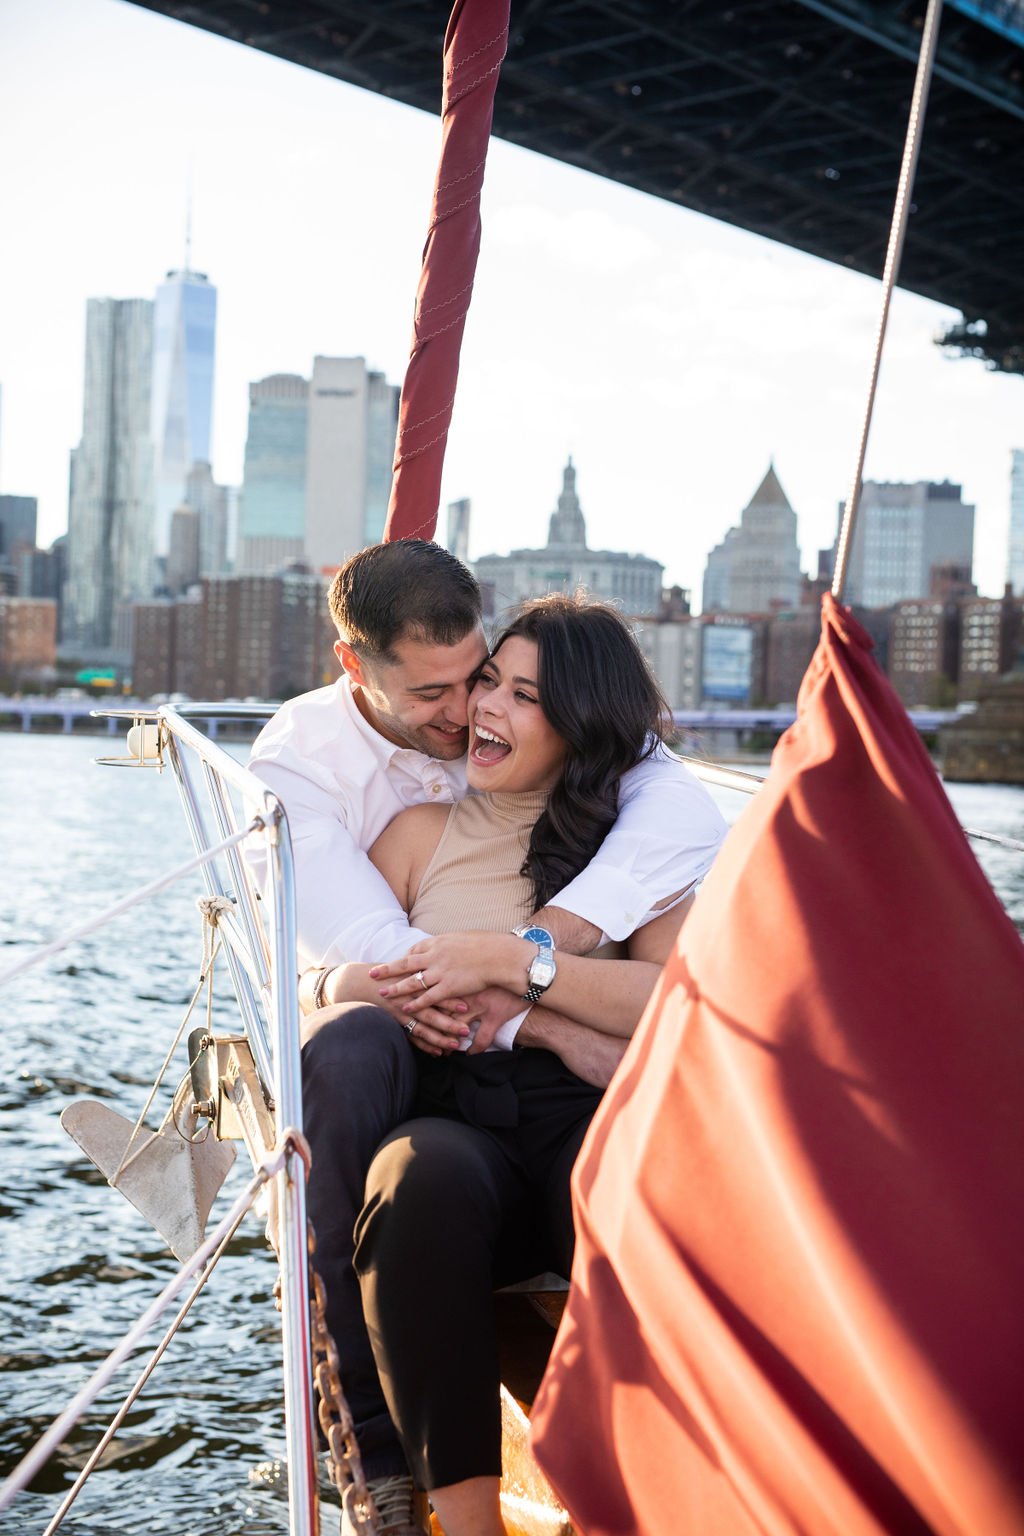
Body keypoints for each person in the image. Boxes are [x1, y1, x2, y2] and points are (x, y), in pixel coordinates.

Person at [247, 543, 726, 1534]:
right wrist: (543, 1021)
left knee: (636, 1197)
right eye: (478, 686)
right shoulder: (417, 828)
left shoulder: (635, 836)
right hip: (455, 1103)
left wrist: (513, 965)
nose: (478, 711)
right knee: (413, 1182)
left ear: (581, 724)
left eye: (509, 692)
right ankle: (443, 1511)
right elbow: (359, 980)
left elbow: (672, 1002)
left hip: (574, 1112)